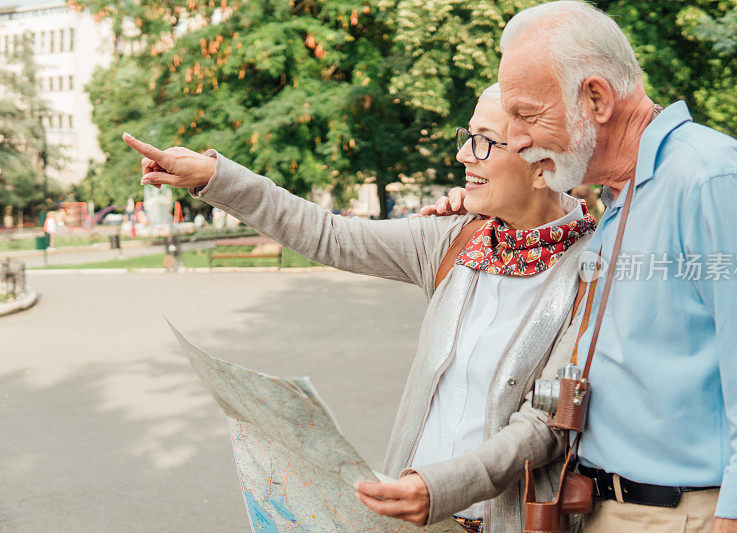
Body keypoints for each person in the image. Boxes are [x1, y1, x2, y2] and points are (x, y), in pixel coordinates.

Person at [123, 84, 595, 532]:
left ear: (542, 164)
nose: (463, 154)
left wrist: (440, 488)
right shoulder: (453, 239)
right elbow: (327, 235)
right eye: (467, 137)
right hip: (410, 519)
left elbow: (544, 426)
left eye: (486, 142)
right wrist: (216, 177)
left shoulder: (597, 270)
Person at [427, 2, 737, 532]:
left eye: (527, 115)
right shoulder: (623, 197)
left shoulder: (710, 182)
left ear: (595, 99)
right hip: (608, 508)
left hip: (680, 515)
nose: (514, 139)